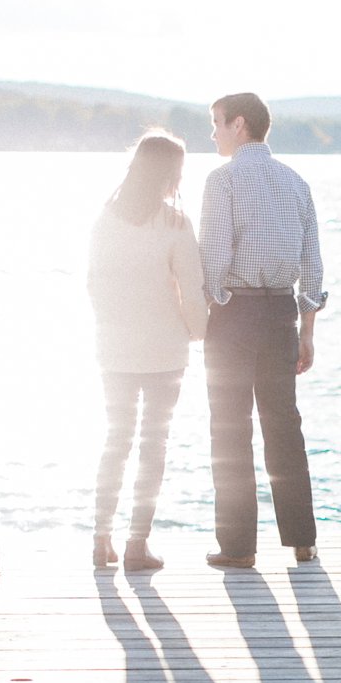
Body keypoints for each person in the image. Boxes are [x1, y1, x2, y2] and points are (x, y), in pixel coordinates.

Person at [198, 91, 325, 570]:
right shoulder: (296, 182)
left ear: (239, 124)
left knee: (230, 430)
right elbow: (312, 266)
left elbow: (213, 257)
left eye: (217, 123)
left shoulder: (223, 180)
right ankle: (302, 542)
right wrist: (307, 331)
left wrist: (206, 306)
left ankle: (238, 548)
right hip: (281, 315)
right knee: (284, 426)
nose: (213, 133)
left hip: (234, 313)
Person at [87, 130, 206, 571]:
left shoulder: (105, 219)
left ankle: (101, 538)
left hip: (114, 349)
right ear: (169, 173)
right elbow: (192, 292)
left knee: (116, 440)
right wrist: (198, 332)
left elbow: (93, 283)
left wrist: (108, 327)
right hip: (164, 351)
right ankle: (137, 544)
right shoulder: (176, 224)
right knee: (153, 444)